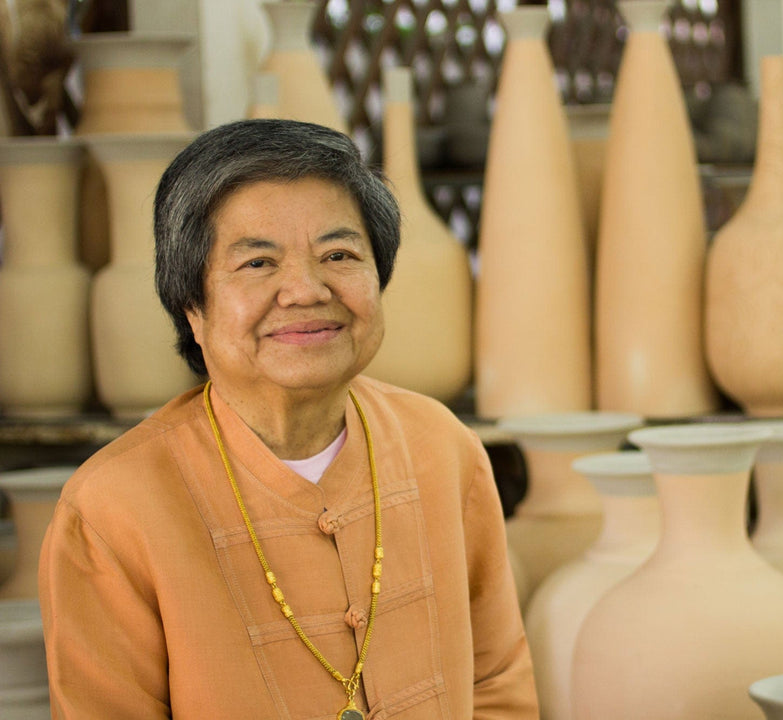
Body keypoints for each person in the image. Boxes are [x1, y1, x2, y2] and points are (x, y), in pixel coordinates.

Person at [38, 118, 538, 719]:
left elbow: (498, 683)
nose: (305, 289)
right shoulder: (112, 509)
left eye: (339, 254)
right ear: (191, 307)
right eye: (257, 264)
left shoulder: (442, 446)